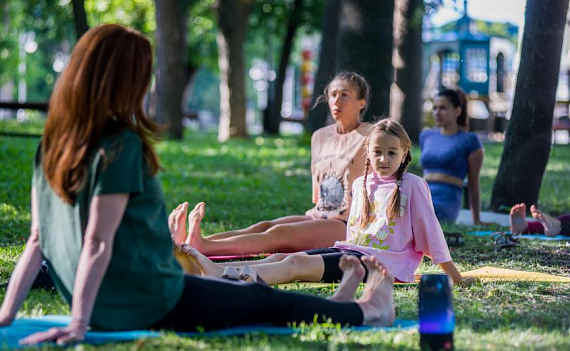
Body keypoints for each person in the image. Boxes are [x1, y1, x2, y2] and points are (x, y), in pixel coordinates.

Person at [0, 25, 396, 344]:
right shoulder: (120, 145)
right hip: (147, 301)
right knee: (255, 300)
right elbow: (97, 242)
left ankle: (342, 305)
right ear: (122, 82)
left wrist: (7, 314)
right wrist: (79, 323)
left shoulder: (50, 146)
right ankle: (368, 311)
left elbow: (36, 240)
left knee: (250, 294)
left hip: (115, 299)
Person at [176, 119, 470, 286]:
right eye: (377, 152)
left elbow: (431, 235)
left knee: (295, 263)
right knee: (279, 258)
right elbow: (355, 234)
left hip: (381, 266)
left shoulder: (413, 186)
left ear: (405, 153)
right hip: (352, 251)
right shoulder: (360, 184)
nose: (384, 159)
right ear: (367, 152)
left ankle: (224, 277)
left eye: (392, 153)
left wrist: (455, 277)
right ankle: (221, 272)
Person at [170, 71, 373, 257]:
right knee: (263, 226)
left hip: (348, 222)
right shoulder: (320, 136)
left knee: (279, 233)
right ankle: (187, 241)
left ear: (361, 102)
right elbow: (318, 195)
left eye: (345, 95)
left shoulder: (371, 136)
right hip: (319, 215)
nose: (337, 100)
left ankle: (203, 247)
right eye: (333, 94)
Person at [419, 88, 485, 224]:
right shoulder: (426, 136)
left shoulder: (470, 140)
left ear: (457, 111)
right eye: (435, 108)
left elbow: (473, 182)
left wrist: (476, 219)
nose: (437, 112)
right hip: (423, 193)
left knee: (421, 212)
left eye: (443, 108)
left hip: (447, 199)